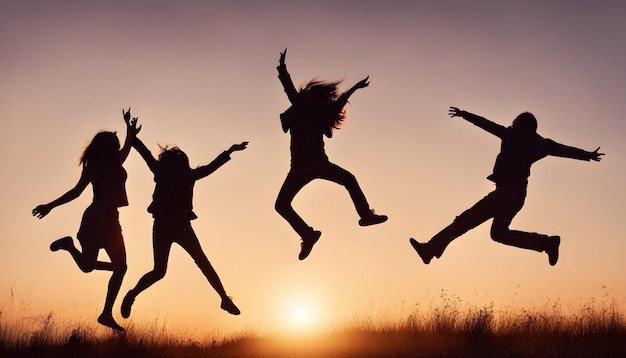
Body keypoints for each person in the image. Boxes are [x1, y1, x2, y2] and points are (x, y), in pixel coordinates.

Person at [410, 107, 604, 266]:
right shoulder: (537, 143)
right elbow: (562, 149)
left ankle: (431, 249)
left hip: (506, 194)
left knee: (465, 221)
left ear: (517, 124)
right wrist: (587, 155)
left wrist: (464, 115)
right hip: (514, 195)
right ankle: (547, 242)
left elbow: (487, 125)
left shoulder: (512, 135)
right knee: (497, 233)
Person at [32, 108, 141, 331]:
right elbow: (76, 192)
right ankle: (70, 246)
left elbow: (128, 147)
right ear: (107, 147)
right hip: (95, 219)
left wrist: (130, 132)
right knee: (88, 267)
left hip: (112, 220)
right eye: (115, 143)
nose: (119, 146)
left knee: (120, 267)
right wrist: (50, 206)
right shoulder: (95, 168)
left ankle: (106, 314)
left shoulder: (116, 161)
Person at [274, 49, 388, 261]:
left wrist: (282, 68)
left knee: (283, 204)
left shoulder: (311, 111)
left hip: (306, 166)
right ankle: (309, 234)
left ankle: (364, 216)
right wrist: (282, 68)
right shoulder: (305, 109)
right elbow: (294, 90)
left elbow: (338, 102)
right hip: (308, 166)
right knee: (282, 204)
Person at [120, 132, 248, 319]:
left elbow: (211, 167)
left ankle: (224, 299)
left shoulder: (185, 174)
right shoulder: (165, 172)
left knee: (200, 262)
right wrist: (132, 136)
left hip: (180, 226)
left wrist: (230, 151)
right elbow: (144, 153)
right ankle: (131, 295)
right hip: (164, 225)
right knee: (160, 271)